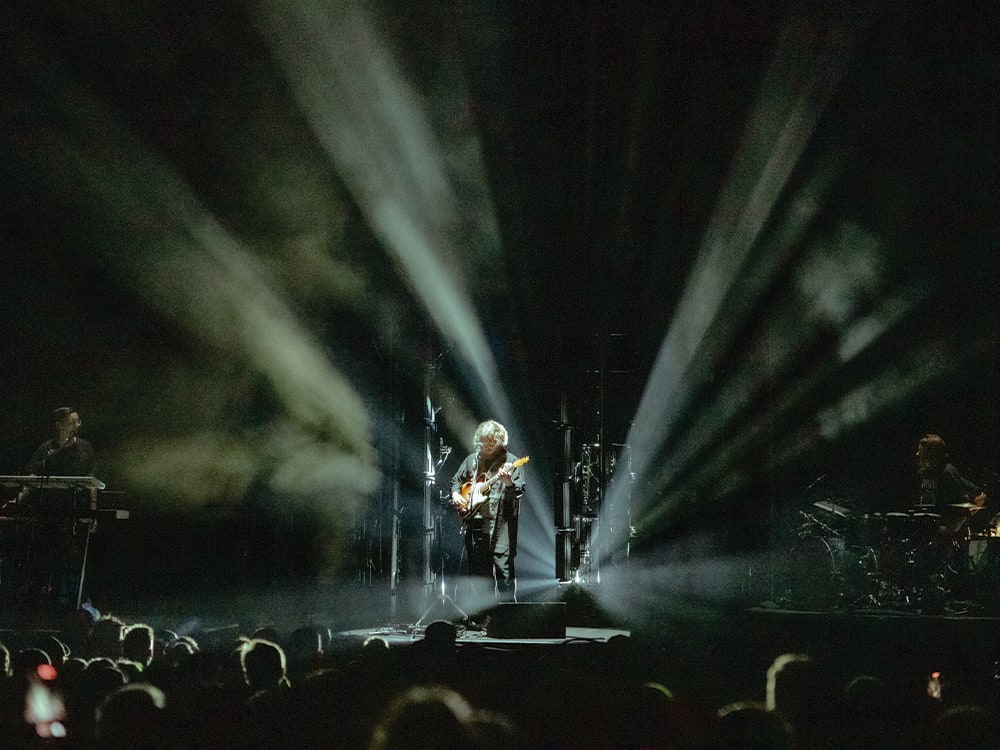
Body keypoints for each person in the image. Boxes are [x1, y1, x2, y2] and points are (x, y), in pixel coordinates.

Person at [4, 407, 99, 611]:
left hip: (73, 512)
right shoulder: (46, 449)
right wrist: (18, 500)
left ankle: (77, 602)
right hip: (47, 511)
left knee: (71, 556)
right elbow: (32, 479)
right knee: (43, 555)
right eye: (72, 421)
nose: (77, 425)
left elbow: (92, 482)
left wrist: (92, 510)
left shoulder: (85, 448)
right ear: (59, 424)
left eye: (78, 421)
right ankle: (39, 599)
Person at [449, 420, 526, 602]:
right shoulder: (472, 460)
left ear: (500, 441)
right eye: (486, 441)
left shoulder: (512, 462)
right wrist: (455, 494)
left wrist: (507, 481)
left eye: (493, 442)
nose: (489, 445)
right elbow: (456, 480)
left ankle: (507, 616)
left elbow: (518, 491)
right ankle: (485, 615)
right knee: (479, 573)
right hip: (476, 524)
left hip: (502, 525)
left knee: (503, 570)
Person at [914, 434, 986, 531]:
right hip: (929, 520)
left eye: (921, 450)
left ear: (931, 453)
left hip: (945, 525)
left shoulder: (948, 473)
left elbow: (968, 501)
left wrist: (963, 518)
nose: (917, 454)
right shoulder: (922, 473)